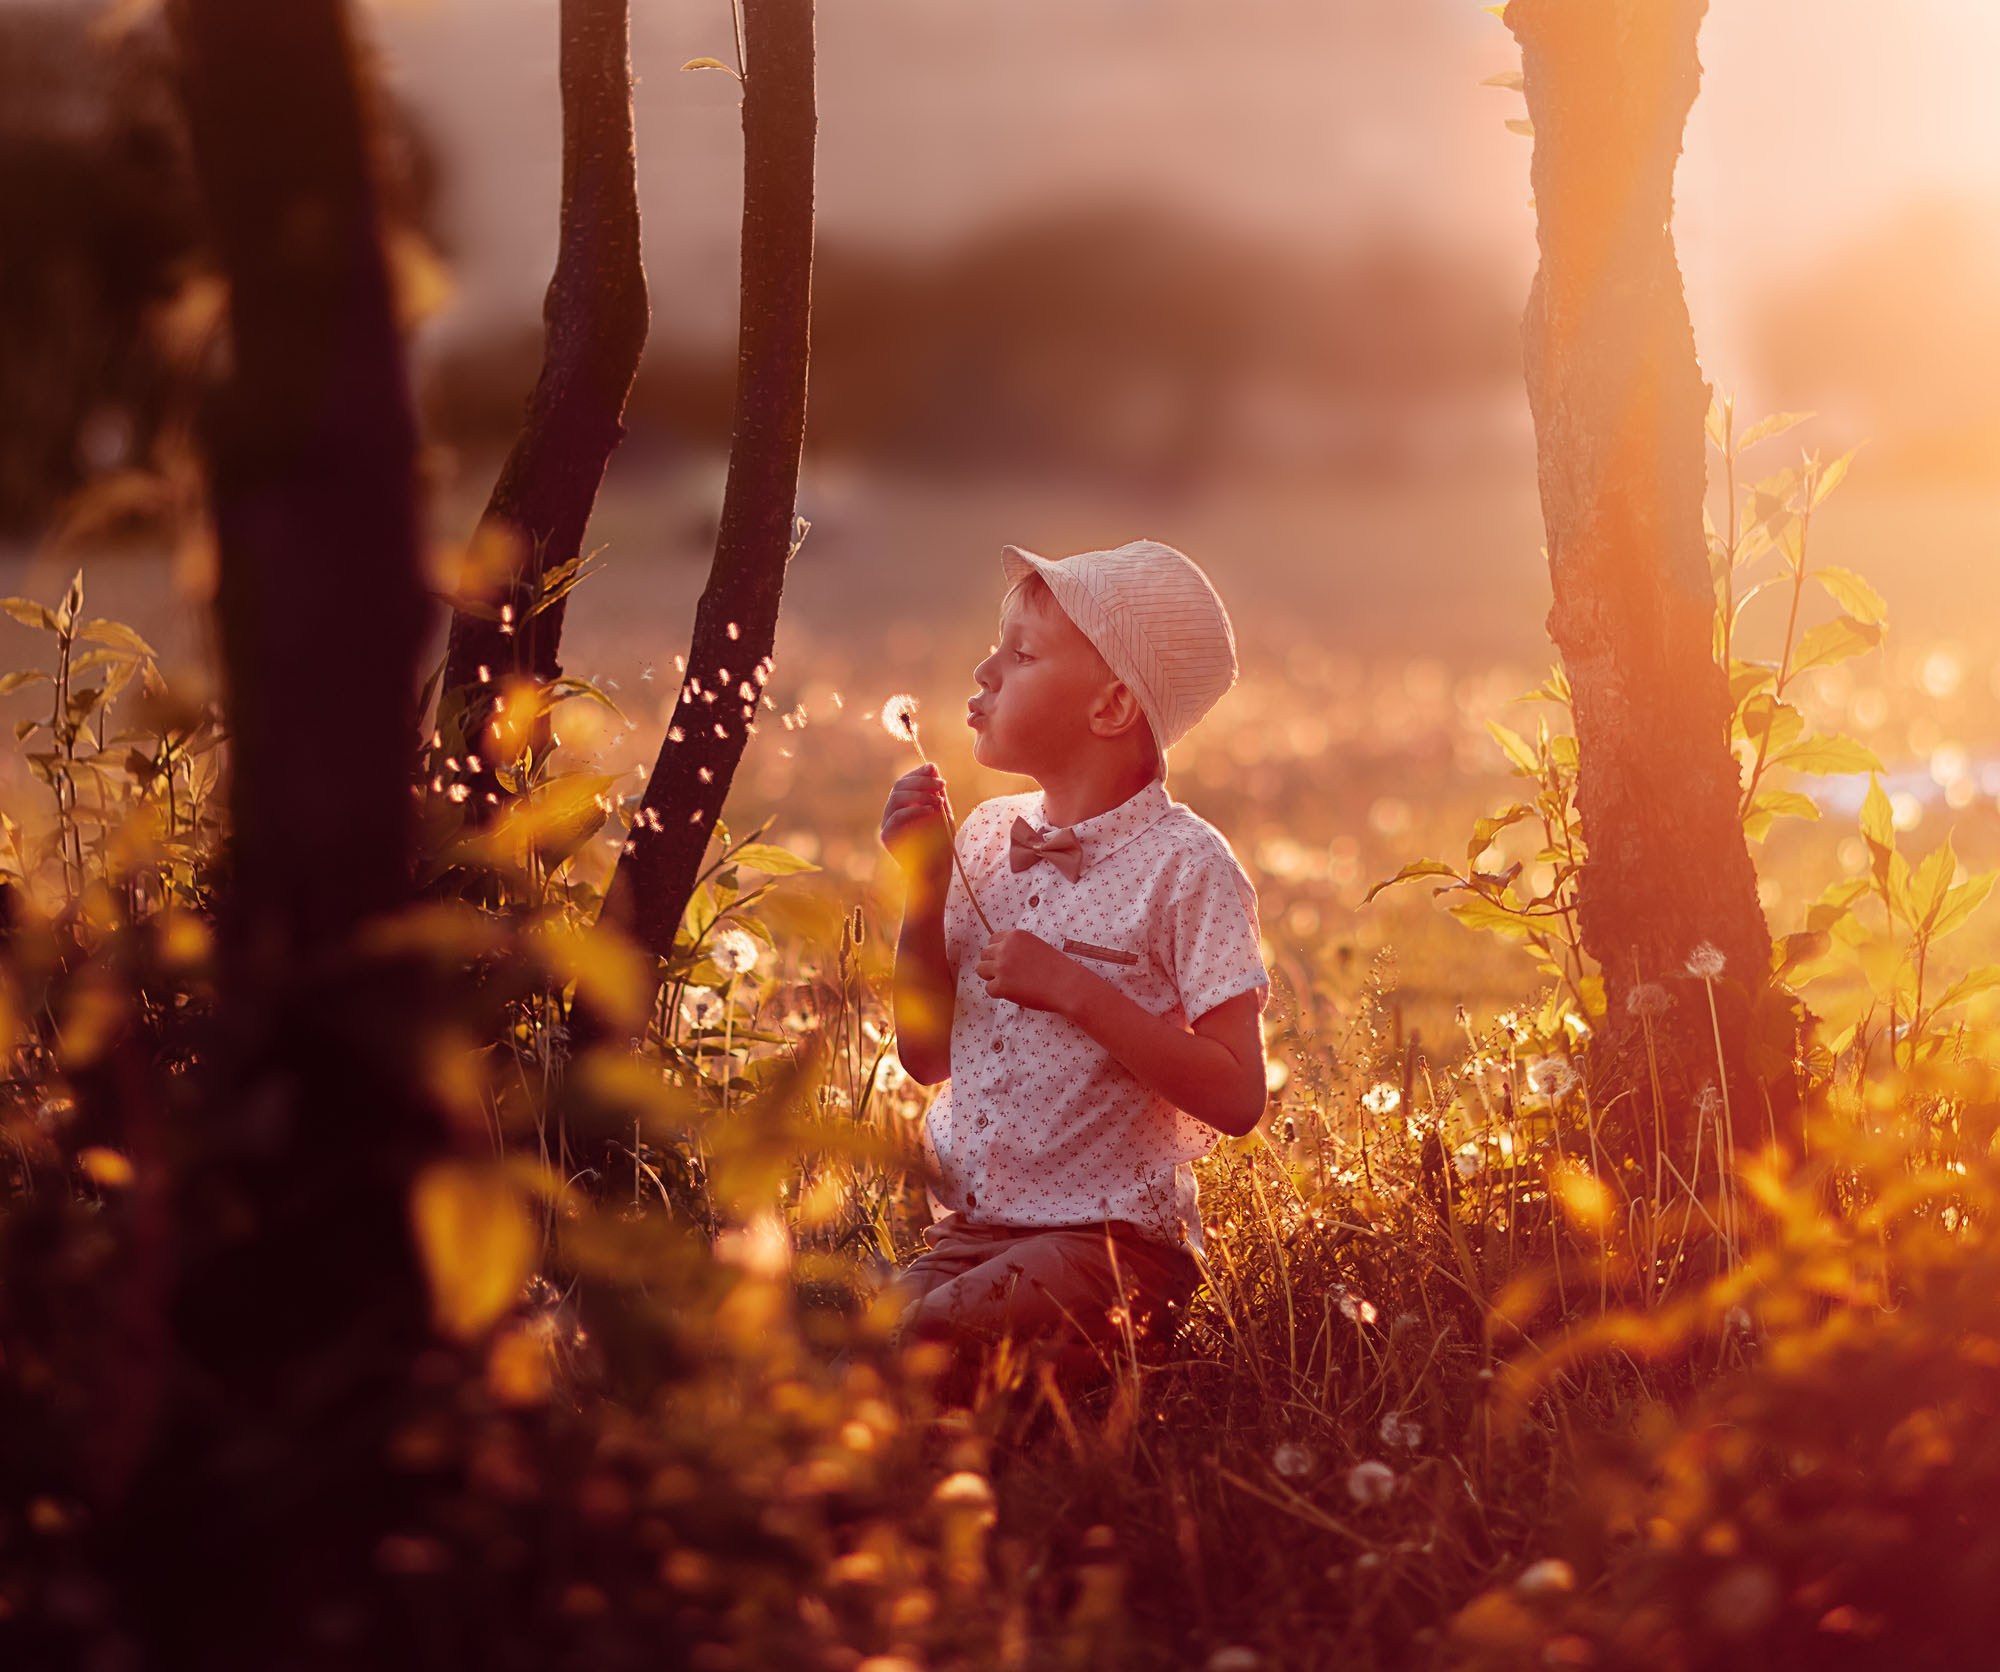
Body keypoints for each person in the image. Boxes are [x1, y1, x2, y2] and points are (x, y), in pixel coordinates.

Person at [877, 538, 1270, 1394]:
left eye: (1020, 655)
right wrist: (924, 884)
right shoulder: (983, 837)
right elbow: (926, 1057)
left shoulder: (1186, 868)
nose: (983, 671)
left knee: (934, 1336)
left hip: (1114, 1249)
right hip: (977, 1230)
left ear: (1113, 705)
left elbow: (1239, 1097)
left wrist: (1074, 989)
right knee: (866, 1347)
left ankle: (1086, 1386)